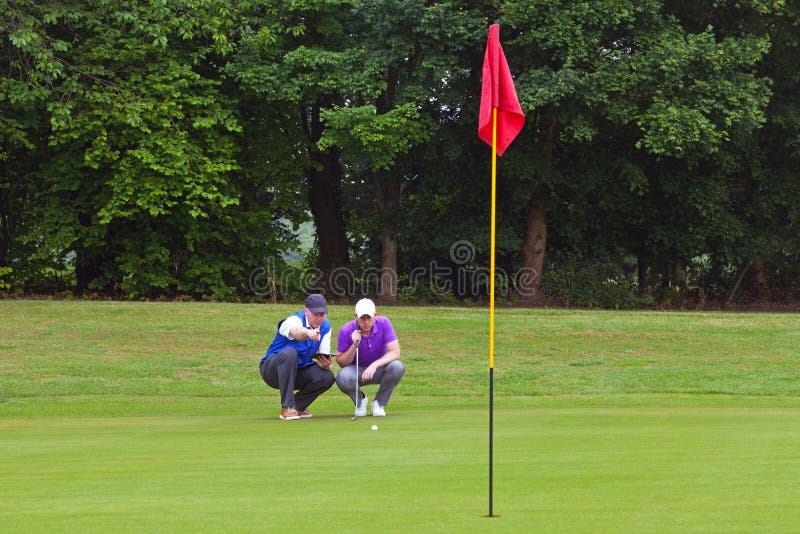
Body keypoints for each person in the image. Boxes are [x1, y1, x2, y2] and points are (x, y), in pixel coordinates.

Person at [259, 294, 336, 420]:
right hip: (272, 371)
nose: (319, 318)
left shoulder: (326, 327)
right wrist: (308, 332)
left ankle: (297, 406)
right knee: (290, 352)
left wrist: (325, 364)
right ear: (306, 311)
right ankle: (287, 407)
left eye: (322, 314)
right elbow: (296, 332)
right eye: (315, 314)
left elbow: (323, 354)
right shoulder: (293, 320)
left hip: (296, 370)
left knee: (327, 376)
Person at [335, 298, 405, 417]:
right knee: (342, 377)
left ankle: (379, 403)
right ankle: (360, 401)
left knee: (397, 367)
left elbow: (395, 352)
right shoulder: (346, 329)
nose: (366, 322)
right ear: (356, 316)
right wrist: (354, 345)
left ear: (375, 315)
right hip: (356, 371)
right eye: (363, 318)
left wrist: (374, 365)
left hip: (379, 369)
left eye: (369, 318)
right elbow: (342, 363)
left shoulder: (384, 323)